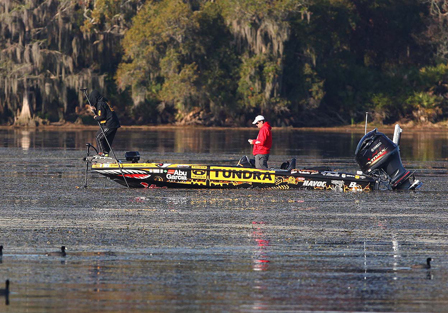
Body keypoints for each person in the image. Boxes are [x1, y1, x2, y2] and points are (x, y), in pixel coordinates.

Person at [88, 90, 120, 157]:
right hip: (114, 123)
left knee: (98, 137)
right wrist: (94, 111)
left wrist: (95, 118)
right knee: (106, 139)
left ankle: (101, 153)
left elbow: (102, 117)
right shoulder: (103, 102)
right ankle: (105, 154)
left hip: (110, 124)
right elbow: (102, 114)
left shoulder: (101, 104)